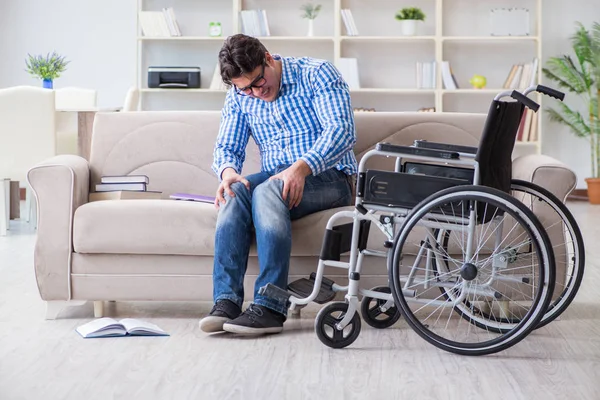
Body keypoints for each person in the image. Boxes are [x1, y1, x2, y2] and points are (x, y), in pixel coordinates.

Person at [199, 34, 357, 335]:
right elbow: (227, 147)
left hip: (330, 178)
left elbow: (342, 131)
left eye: (258, 83)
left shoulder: (317, 73)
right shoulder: (240, 95)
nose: (255, 93)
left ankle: (270, 307)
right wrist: (228, 173)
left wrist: (300, 169)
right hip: (276, 180)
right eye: (245, 90)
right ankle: (227, 302)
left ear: (268, 59)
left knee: (269, 189)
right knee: (236, 191)